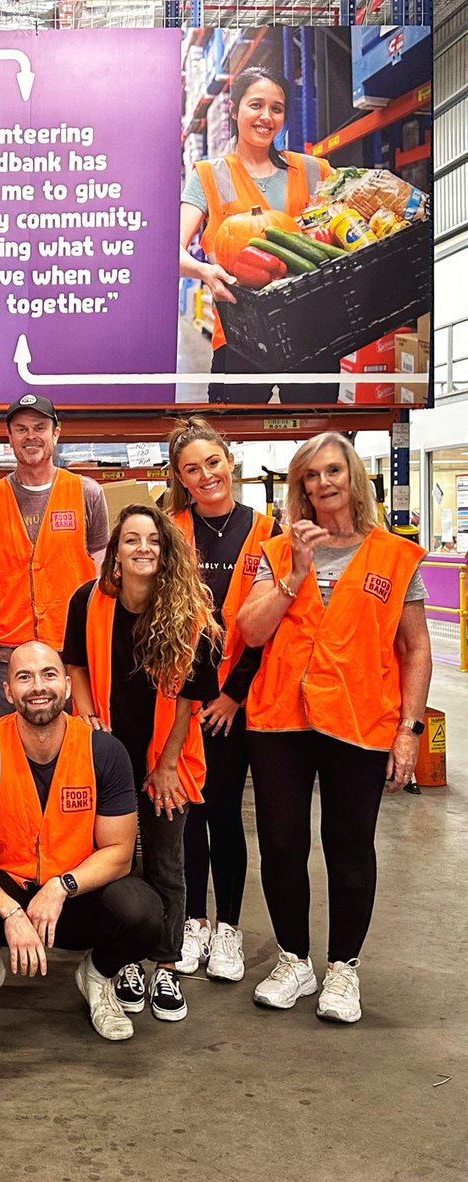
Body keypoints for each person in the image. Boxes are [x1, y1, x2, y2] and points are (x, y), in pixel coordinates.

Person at [237, 432, 431, 1023]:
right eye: (310, 477)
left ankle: (343, 968)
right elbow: (250, 630)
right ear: (300, 488)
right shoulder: (275, 552)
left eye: (332, 471)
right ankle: (294, 960)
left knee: (349, 848)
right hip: (280, 721)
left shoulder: (395, 557)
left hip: (359, 721)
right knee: (282, 844)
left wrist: (409, 730)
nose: (323, 484)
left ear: (352, 477)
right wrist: (296, 571)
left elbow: (416, 648)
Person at [0, 641, 165, 1042]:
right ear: (7, 691)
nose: (38, 686)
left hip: (75, 897)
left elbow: (119, 854)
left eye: (48, 674)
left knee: (145, 912)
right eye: (24, 677)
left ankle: (96, 976)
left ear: (66, 685)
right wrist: (10, 911)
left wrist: (63, 886)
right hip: (4, 893)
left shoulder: (104, 751)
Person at [62, 504, 220, 1023]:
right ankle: (122, 961)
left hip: (168, 760)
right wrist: (85, 717)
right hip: (107, 758)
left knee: (167, 863)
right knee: (116, 863)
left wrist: (168, 764)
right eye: (131, 540)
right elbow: (76, 665)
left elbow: (188, 700)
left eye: (152, 539)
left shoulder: (190, 612)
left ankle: (168, 965)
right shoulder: (88, 601)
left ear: (165, 549)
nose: (143, 548)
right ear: (116, 552)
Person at [165, 417, 280, 983]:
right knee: (188, 817)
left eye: (212, 463)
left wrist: (233, 696)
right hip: (181, 701)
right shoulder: (170, 530)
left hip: (239, 701)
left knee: (226, 815)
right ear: (181, 479)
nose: (205, 475)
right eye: (192, 469)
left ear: (229, 462)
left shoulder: (266, 531)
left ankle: (229, 928)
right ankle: (194, 922)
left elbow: (274, 625)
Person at [179, 65, 332, 404]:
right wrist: (204, 271)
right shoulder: (208, 175)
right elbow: (170, 250)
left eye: (276, 109)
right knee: (232, 437)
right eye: (256, 105)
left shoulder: (313, 170)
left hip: (311, 329)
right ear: (233, 110)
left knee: (315, 442)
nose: (266, 116)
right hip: (240, 334)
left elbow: (345, 224)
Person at [0, 393, 109, 722]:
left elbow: (102, 580)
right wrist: (7, 621)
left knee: (74, 754)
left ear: (56, 433)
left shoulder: (87, 494)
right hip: (4, 656)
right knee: (7, 751)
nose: (31, 436)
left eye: (40, 427)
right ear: (10, 437)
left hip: (69, 654)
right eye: (21, 429)